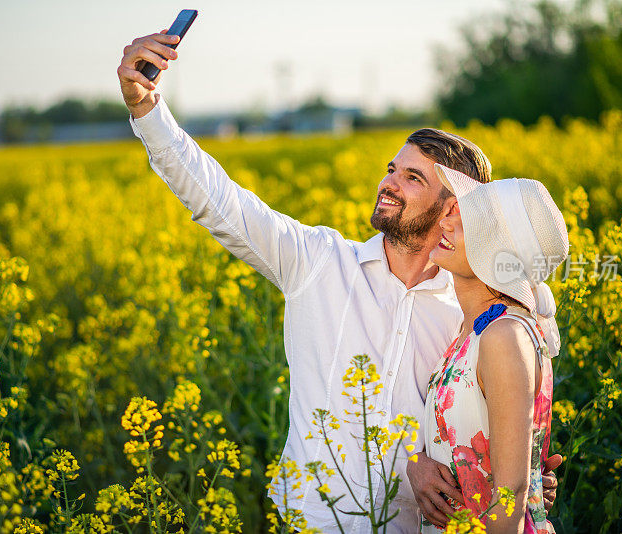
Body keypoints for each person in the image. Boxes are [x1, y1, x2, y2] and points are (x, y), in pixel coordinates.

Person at [117, 31, 559, 533]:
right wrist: (148, 112)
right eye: (393, 169)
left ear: (453, 209)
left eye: (413, 178)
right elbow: (221, 202)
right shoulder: (319, 263)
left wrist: (522, 478)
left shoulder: (472, 316)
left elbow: (488, 437)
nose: (389, 182)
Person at [420, 165, 568, 533]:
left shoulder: (503, 336)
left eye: (469, 219)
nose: (447, 221)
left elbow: (511, 493)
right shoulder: (473, 328)